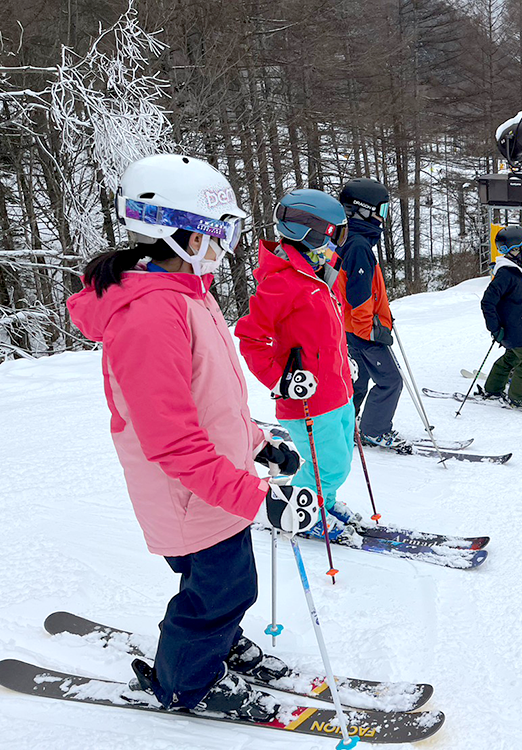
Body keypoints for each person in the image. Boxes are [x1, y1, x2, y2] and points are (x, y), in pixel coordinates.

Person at [66, 154, 320, 720]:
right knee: (222, 590)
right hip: (190, 493)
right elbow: (173, 440)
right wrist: (259, 499)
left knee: (220, 588)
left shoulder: (186, 293)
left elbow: (211, 401)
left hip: (213, 483)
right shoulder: (150, 315)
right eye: (217, 230)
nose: (225, 244)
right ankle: (187, 684)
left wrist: (257, 441)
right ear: (172, 233)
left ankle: (216, 640)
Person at [235, 188, 361, 540]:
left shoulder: (320, 276)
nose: (336, 243)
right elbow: (251, 338)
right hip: (308, 399)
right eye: (333, 234)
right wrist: (281, 381)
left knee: (340, 459)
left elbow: (324, 335)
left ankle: (324, 500)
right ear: (310, 232)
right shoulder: (283, 282)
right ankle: (302, 512)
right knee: (327, 465)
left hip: (337, 390)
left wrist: (344, 362)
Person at [334, 178, 408, 452]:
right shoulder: (359, 246)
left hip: (350, 328)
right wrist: (372, 330)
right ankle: (374, 431)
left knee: (358, 379)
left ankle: (343, 422)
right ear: (364, 210)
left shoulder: (347, 239)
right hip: (362, 330)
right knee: (390, 381)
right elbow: (359, 297)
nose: (383, 217)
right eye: (382, 210)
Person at [480, 225, 522, 412]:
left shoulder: (518, 270)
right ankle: (518, 397)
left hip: (521, 326)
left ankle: (493, 389)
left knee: (511, 358)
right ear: (514, 250)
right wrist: (495, 329)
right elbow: (487, 302)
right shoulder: (505, 274)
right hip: (513, 329)